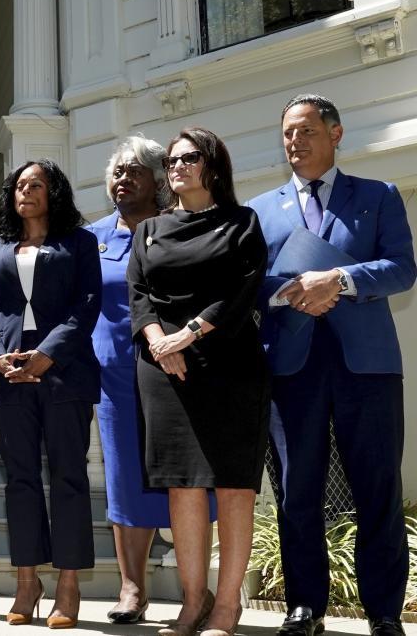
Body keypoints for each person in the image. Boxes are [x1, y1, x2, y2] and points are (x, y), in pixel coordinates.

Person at [247, 94, 414, 636]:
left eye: (306, 131)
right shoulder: (260, 210)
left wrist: (338, 281)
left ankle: (384, 612)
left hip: (366, 367)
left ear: (335, 134)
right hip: (293, 368)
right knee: (298, 490)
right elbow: (248, 285)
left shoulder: (378, 196)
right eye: (288, 133)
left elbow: (401, 269)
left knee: (377, 488)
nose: (295, 141)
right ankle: (304, 607)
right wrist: (293, 291)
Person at [127, 127, 268, 636]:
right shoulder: (149, 230)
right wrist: (160, 345)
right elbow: (138, 292)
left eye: (188, 158)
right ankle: (193, 601)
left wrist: (185, 336)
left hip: (228, 366)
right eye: (171, 160)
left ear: (212, 165)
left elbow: (241, 290)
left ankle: (227, 606)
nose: (177, 167)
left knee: (233, 487)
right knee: (182, 488)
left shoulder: (241, 222)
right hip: (164, 369)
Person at [0, 160, 101, 630]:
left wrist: (48, 353)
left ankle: (68, 584)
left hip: (65, 376)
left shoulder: (80, 243)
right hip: (8, 378)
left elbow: (88, 306)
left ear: (54, 193)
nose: (26, 191)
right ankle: (27, 582)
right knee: (20, 480)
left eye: (36, 185)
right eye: (20, 185)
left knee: (69, 477)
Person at [89, 136, 175, 623]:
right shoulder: (93, 237)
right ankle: (131, 589)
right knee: (123, 478)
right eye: (118, 171)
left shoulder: (177, 230)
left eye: (135, 171)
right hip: (114, 373)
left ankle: (194, 587)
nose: (123, 179)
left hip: (173, 368)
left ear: (158, 180)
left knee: (182, 480)